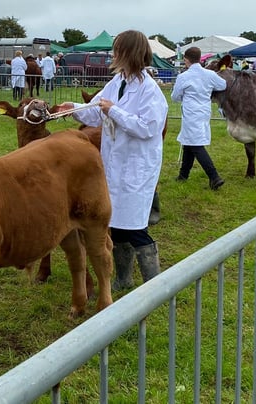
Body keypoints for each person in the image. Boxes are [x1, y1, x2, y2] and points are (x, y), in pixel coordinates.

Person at [55, 29, 168, 290]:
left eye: (117, 50)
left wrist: (114, 111)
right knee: (115, 224)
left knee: (135, 227)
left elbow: (148, 128)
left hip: (136, 165)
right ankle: (123, 278)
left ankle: (156, 283)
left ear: (129, 53)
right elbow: (96, 112)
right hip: (114, 163)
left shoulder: (150, 91)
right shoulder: (117, 82)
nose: (113, 55)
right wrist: (73, 109)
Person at [171, 46, 227, 191]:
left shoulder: (183, 77)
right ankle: (183, 175)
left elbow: (175, 97)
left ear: (186, 60)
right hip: (204, 111)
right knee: (189, 142)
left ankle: (214, 176)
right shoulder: (209, 74)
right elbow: (223, 85)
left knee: (195, 145)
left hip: (190, 113)